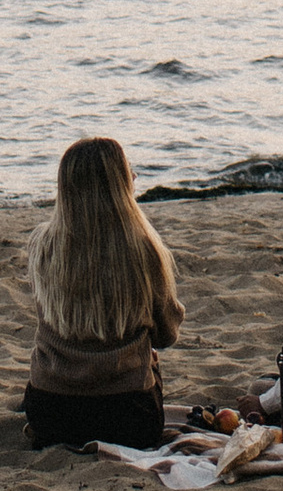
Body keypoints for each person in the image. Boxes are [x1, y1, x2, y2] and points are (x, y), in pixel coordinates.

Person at [21, 136, 185, 450]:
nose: (135, 177)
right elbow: (166, 336)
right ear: (119, 184)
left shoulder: (43, 246)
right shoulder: (144, 249)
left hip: (50, 414)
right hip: (128, 418)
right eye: (129, 171)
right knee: (147, 358)